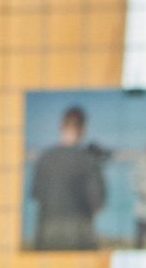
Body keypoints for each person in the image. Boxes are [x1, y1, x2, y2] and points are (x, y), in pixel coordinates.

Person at [28, 103, 111, 252]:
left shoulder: (43, 159)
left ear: (61, 125)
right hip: (79, 237)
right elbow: (98, 204)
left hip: (46, 236)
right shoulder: (88, 161)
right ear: (83, 129)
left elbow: (37, 195)